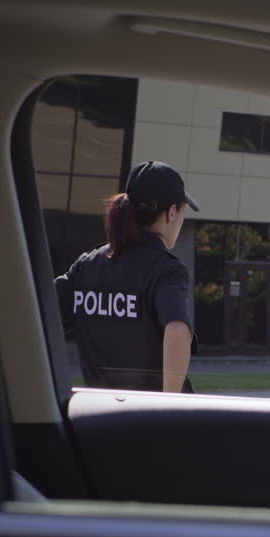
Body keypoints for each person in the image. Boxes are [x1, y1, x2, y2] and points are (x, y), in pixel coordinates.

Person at [55, 160, 199, 393]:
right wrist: (171, 406)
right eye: (182, 211)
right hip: (148, 417)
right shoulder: (165, 269)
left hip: (101, 415)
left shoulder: (87, 265)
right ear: (171, 213)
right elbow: (177, 329)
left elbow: (38, 312)